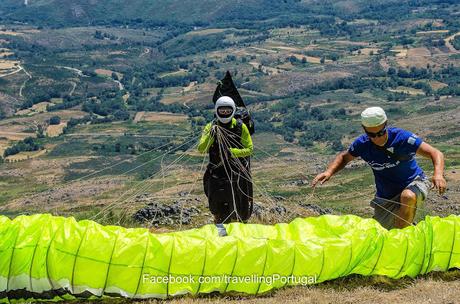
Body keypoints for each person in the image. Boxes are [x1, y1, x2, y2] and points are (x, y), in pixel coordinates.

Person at [312, 106, 447, 229]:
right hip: (386, 196)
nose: (377, 138)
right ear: (364, 130)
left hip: (414, 182)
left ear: (385, 124)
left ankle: (403, 241)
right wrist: (329, 171)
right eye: (372, 135)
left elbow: (435, 153)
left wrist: (438, 174)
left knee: (407, 197)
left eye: (381, 133)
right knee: (382, 232)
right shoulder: (362, 144)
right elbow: (345, 157)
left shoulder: (403, 138)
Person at [198, 96, 254, 224]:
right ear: (217, 110)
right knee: (216, 205)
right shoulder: (210, 127)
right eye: (222, 111)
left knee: (237, 205)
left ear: (232, 110)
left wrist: (234, 153)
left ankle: (237, 230)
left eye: (227, 111)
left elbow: (249, 149)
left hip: (235, 173)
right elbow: (201, 148)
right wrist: (211, 136)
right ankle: (220, 232)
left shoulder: (241, 127)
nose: (224, 113)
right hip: (216, 173)